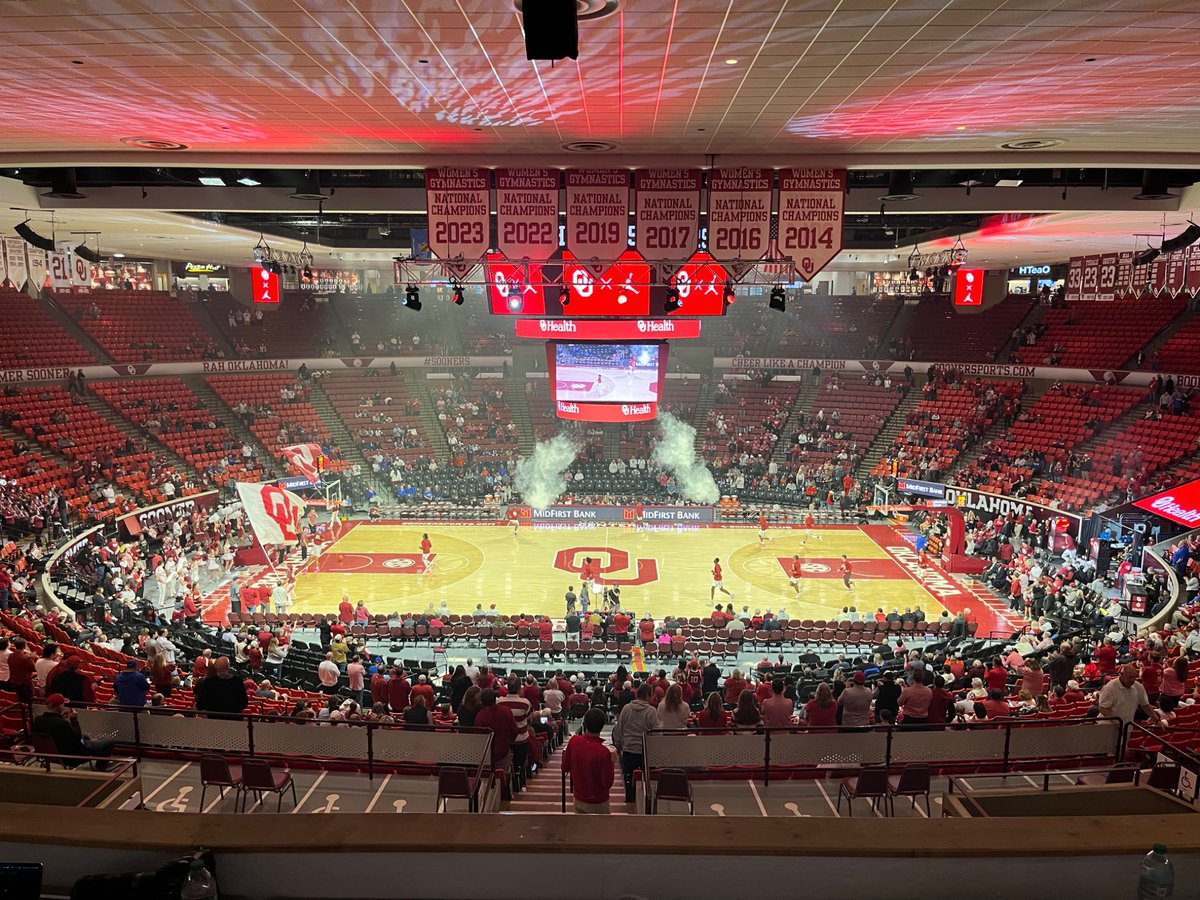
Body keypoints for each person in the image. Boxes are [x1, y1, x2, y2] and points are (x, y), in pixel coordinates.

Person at [33, 694, 116, 768]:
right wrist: (74, 719)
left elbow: (53, 729)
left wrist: (60, 717)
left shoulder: (38, 720)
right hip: (72, 756)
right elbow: (77, 737)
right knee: (110, 742)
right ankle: (100, 767)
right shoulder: (62, 723)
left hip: (50, 754)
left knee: (86, 737)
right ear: (60, 706)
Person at [612, 683, 659, 804]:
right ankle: (645, 799)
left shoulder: (627, 708)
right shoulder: (651, 711)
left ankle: (629, 798)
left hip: (629, 748)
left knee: (628, 775)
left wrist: (618, 743)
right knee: (645, 776)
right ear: (648, 695)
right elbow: (657, 732)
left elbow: (619, 728)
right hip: (645, 750)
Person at [562, 708, 615, 814]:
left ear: (584, 723)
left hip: (579, 798)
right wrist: (612, 760)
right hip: (599, 802)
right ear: (602, 726)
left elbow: (565, 767)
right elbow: (607, 783)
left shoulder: (573, 741)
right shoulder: (603, 752)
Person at [1099, 664, 1166, 726]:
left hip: (1126, 725)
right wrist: (1116, 721)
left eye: (1134, 678)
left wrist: (1156, 720)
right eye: (1130, 677)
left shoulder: (1138, 686)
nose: (1132, 680)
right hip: (1108, 725)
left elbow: (1145, 705)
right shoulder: (1110, 687)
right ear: (1121, 674)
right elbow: (1103, 708)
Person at [474, 689, 518, 775]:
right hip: (503, 752)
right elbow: (514, 731)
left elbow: (478, 738)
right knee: (503, 777)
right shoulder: (506, 711)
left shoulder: (480, 716)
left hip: (487, 755)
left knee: (488, 778)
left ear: (482, 701)